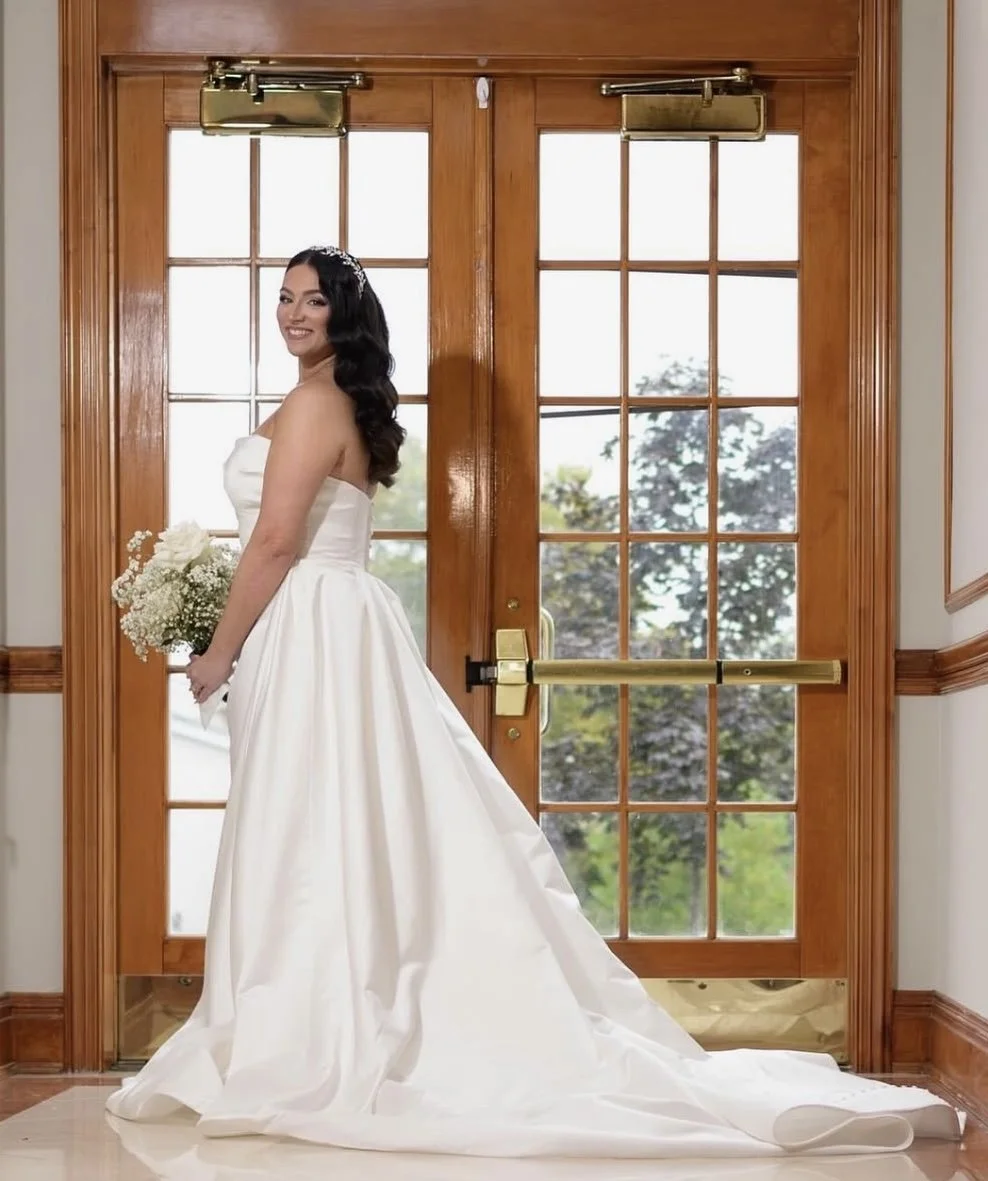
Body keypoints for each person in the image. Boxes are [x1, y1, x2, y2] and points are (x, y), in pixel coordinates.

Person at [106, 246, 963, 1158]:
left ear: (344, 316)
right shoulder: (324, 397)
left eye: (312, 301)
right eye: (283, 298)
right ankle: (307, 1008)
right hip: (320, 623)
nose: (292, 313)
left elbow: (277, 540)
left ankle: (307, 1028)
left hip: (314, 622)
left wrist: (219, 648)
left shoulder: (319, 403)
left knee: (312, 821)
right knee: (323, 822)